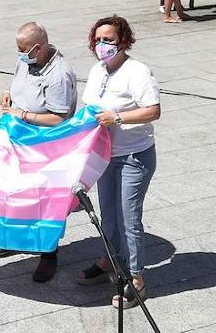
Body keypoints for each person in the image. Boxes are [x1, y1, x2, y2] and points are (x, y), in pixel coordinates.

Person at [75, 15, 161, 308]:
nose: (102, 45)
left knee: (129, 219)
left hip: (134, 156)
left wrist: (118, 117)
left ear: (123, 41)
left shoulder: (137, 72)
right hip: (104, 154)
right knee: (108, 215)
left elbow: (153, 110)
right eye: (98, 40)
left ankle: (136, 278)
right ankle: (110, 261)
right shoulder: (98, 70)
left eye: (108, 40)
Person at [0, 22, 77, 282]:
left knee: (44, 203)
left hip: (45, 148)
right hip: (18, 143)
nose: (19, 54)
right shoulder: (27, 61)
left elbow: (60, 119)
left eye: (23, 50)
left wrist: (23, 114)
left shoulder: (59, 74)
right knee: (15, 194)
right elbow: (17, 84)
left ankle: (48, 254)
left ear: (38, 49)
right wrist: (9, 96)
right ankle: (16, 238)